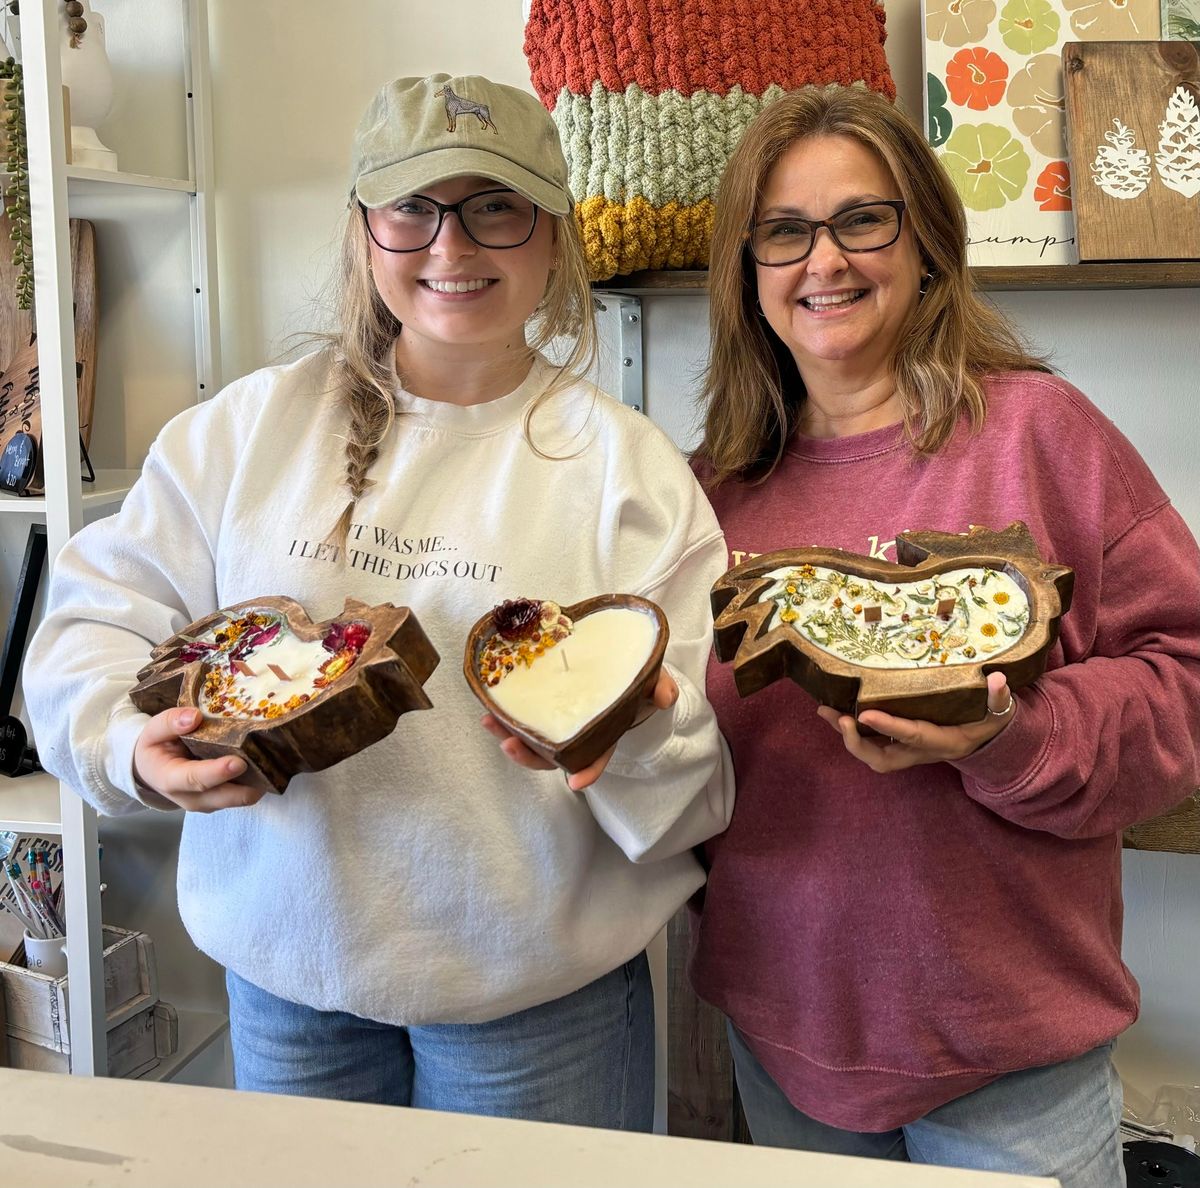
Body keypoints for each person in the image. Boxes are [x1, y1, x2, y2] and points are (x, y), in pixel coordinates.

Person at [24, 73, 734, 1128]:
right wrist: (131, 747)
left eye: (496, 206)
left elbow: (702, 785)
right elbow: (88, 628)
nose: (452, 247)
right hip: (287, 991)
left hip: (536, 1010)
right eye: (412, 207)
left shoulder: (625, 471)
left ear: (553, 239)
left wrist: (628, 735)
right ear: (365, 232)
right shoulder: (247, 432)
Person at [689, 85, 1200, 1185]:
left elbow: (1187, 680)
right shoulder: (708, 495)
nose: (823, 261)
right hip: (784, 1036)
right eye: (783, 231)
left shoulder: (1040, 435)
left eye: (863, 219)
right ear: (746, 271)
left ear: (926, 241)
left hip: (1011, 1053)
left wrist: (1006, 740)